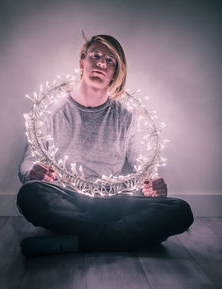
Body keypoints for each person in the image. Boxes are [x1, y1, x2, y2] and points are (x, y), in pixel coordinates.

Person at [17, 34, 194, 257]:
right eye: (96, 55)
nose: (102, 63)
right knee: (29, 195)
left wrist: (152, 186)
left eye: (111, 60)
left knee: (180, 211)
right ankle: (121, 237)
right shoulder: (52, 110)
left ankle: (79, 241)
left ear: (115, 74)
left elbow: (142, 171)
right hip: (66, 198)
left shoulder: (127, 117)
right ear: (82, 63)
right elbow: (28, 162)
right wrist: (31, 173)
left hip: (112, 202)